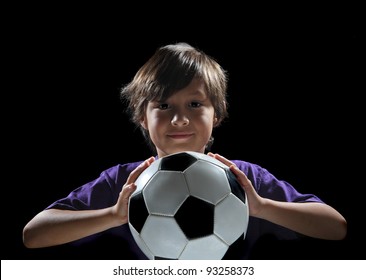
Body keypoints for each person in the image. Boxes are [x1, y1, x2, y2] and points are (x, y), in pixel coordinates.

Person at [22, 42, 347, 259]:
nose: (179, 118)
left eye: (195, 104)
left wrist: (262, 208)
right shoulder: (123, 182)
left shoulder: (244, 179)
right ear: (142, 117)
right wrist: (112, 216)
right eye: (163, 105)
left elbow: (335, 227)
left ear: (217, 114)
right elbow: (34, 234)